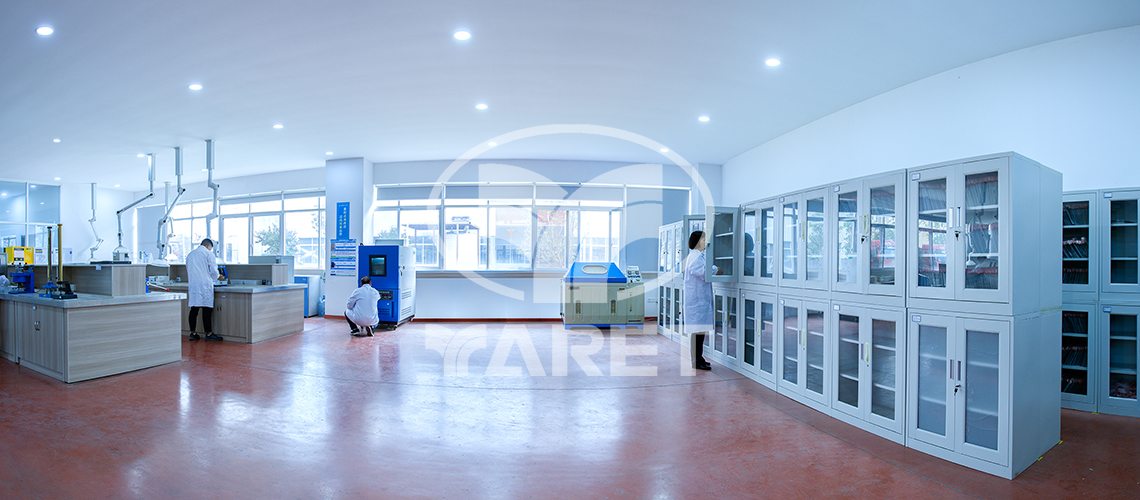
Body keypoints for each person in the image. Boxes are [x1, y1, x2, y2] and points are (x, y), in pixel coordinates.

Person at [683, 230, 721, 370]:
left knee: (699, 332)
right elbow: (703, 271)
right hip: (697, 302)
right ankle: (696, 360)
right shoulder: (695, 257)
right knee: (697, 332)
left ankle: (699, 358)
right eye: (704, 240)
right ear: (698, 242)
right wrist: (716, 269)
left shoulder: (698, 256)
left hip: (699, 301)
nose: (706, 242)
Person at [186, 238, 223, 341]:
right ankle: (209, 334)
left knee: (194, 309)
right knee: (207, 309)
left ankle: (193, 333)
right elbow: (213, 270)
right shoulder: (208, 254)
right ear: (208, 246)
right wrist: (218, 277)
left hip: (193, 284)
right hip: (204, 284)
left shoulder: (190, 255)